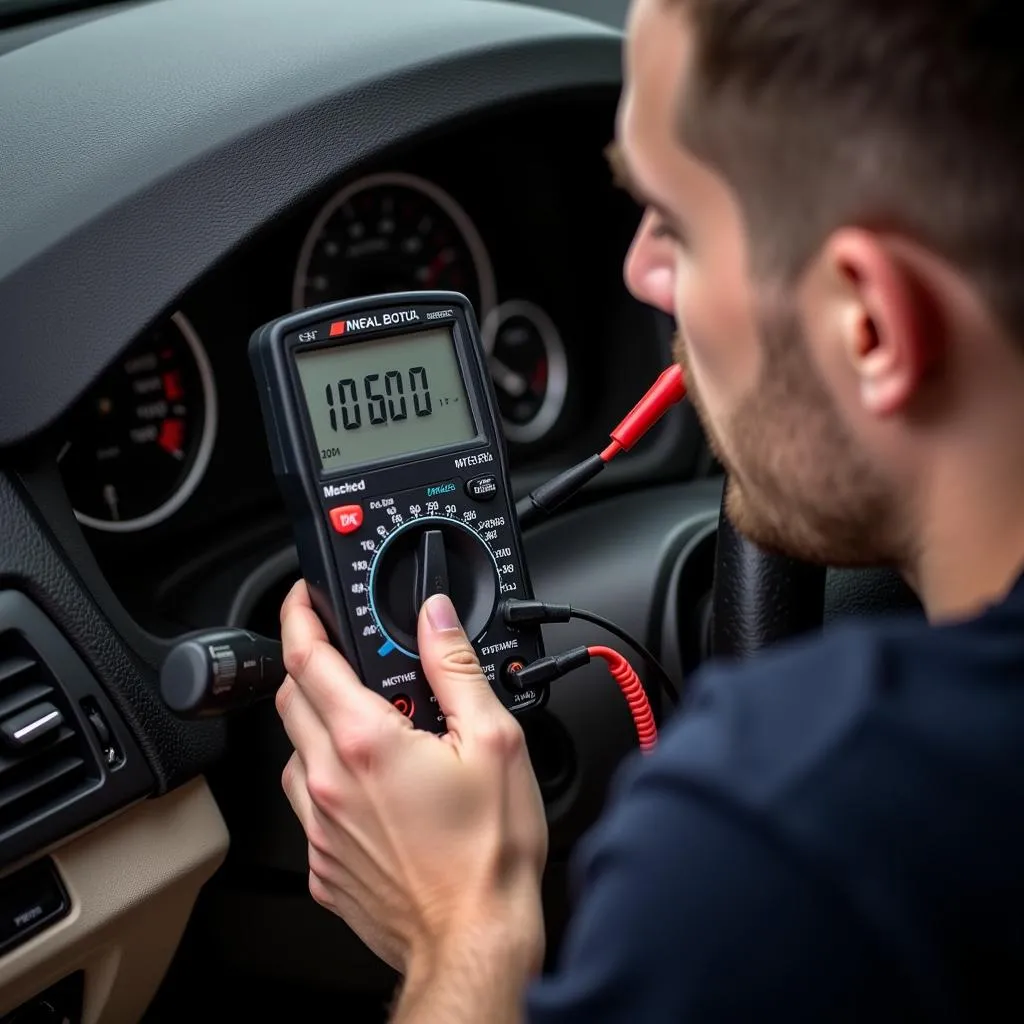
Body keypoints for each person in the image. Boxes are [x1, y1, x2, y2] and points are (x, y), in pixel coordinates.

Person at [273, 0, 1024, 1018]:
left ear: (872, 326)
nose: (638, 274)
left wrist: (460, 924)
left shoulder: (773, 847)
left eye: (672, 224)